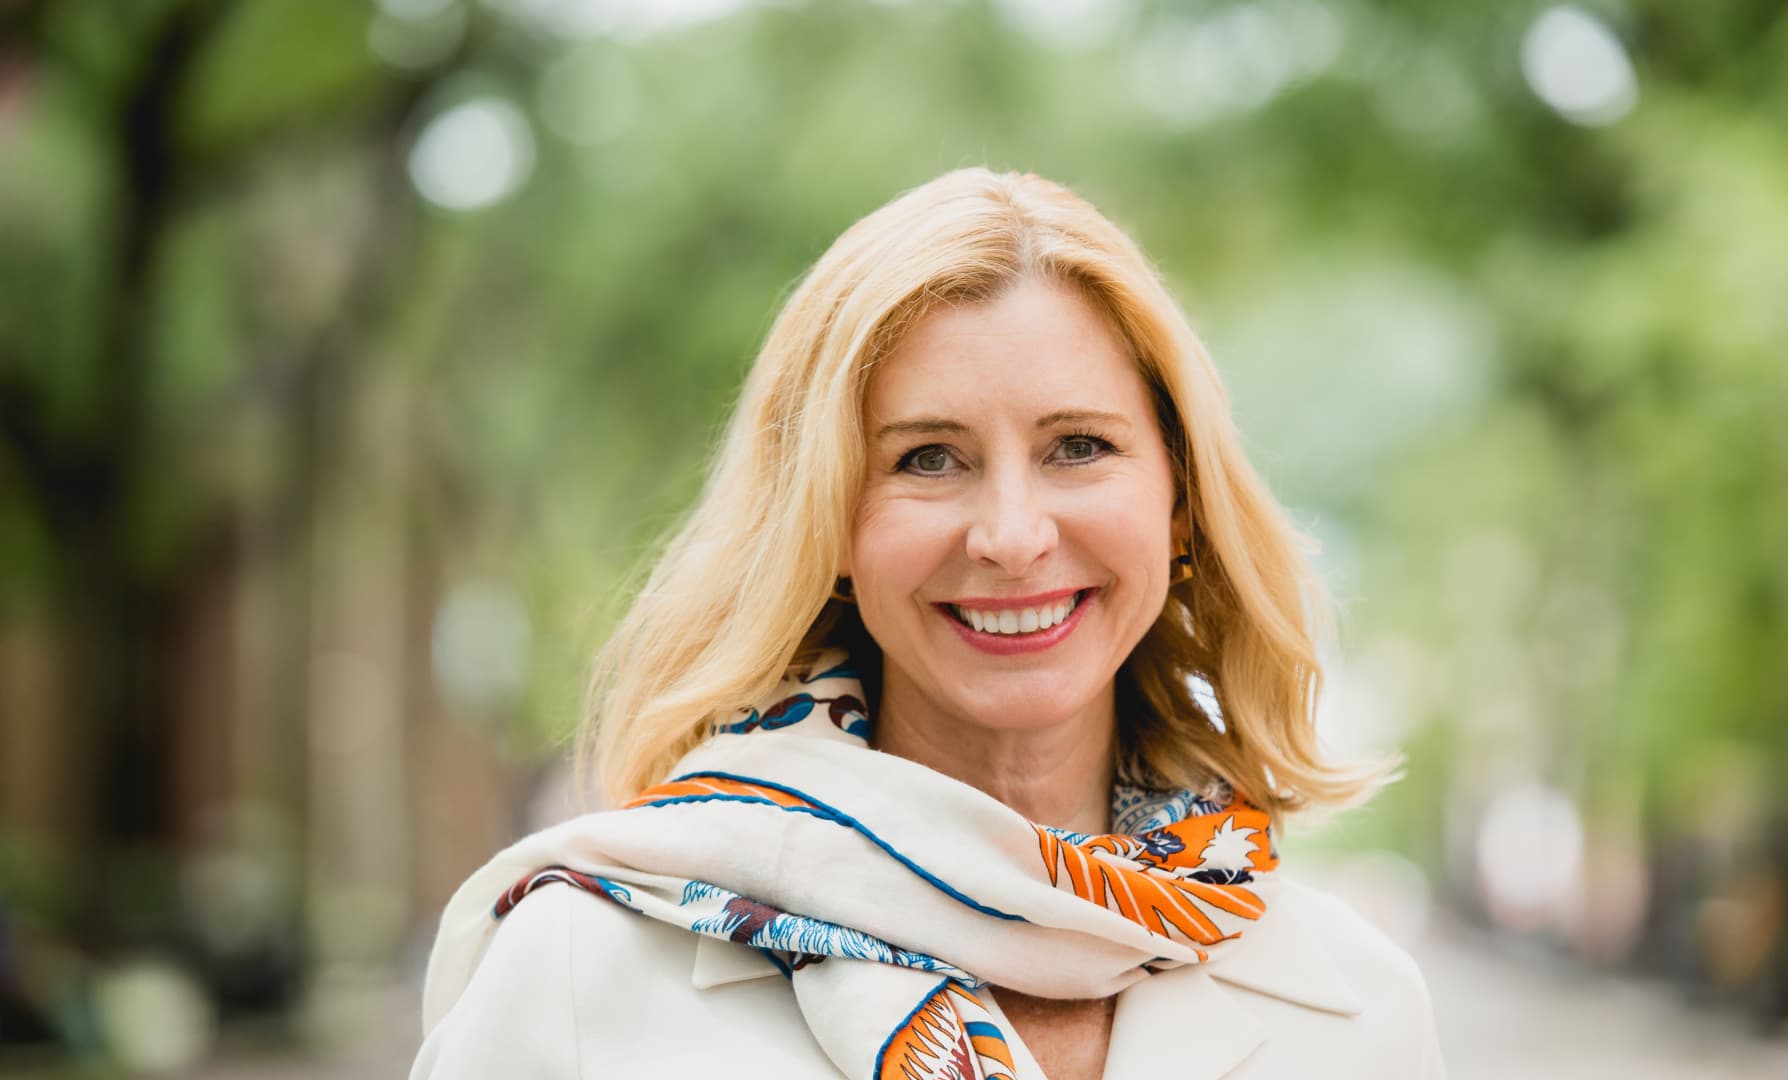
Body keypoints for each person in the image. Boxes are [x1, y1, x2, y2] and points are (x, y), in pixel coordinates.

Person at [411, 167, 1445, 1079]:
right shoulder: (580, 980)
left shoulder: (1361, 1017)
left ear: (1179, 501)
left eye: (1079, 446)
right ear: (830, 530)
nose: (1010, 534)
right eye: (926, 459)